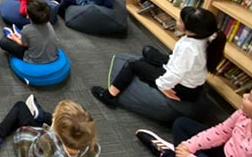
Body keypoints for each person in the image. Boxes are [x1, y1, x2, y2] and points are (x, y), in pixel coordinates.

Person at [91, 6, 225, 109]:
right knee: (148, 50)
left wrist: (162, 87)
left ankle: (110, 96)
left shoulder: (189, 49)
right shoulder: (205, 39)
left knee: (133, 65)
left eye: (179, 20)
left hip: (181, 87)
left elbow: (176, 74)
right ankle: (145, 69)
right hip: (183, 76)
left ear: (189, 27)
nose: (176, 20)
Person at [0, 0, 59, 64]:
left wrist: (14, 38)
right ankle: (18, 34)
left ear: (28, 16)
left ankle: (11, 33)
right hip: (53, 57)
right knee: (29, 37)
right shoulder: (49, 24)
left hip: (33, 60)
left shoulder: (26, 29)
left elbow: (24, 45)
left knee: (3, 42)